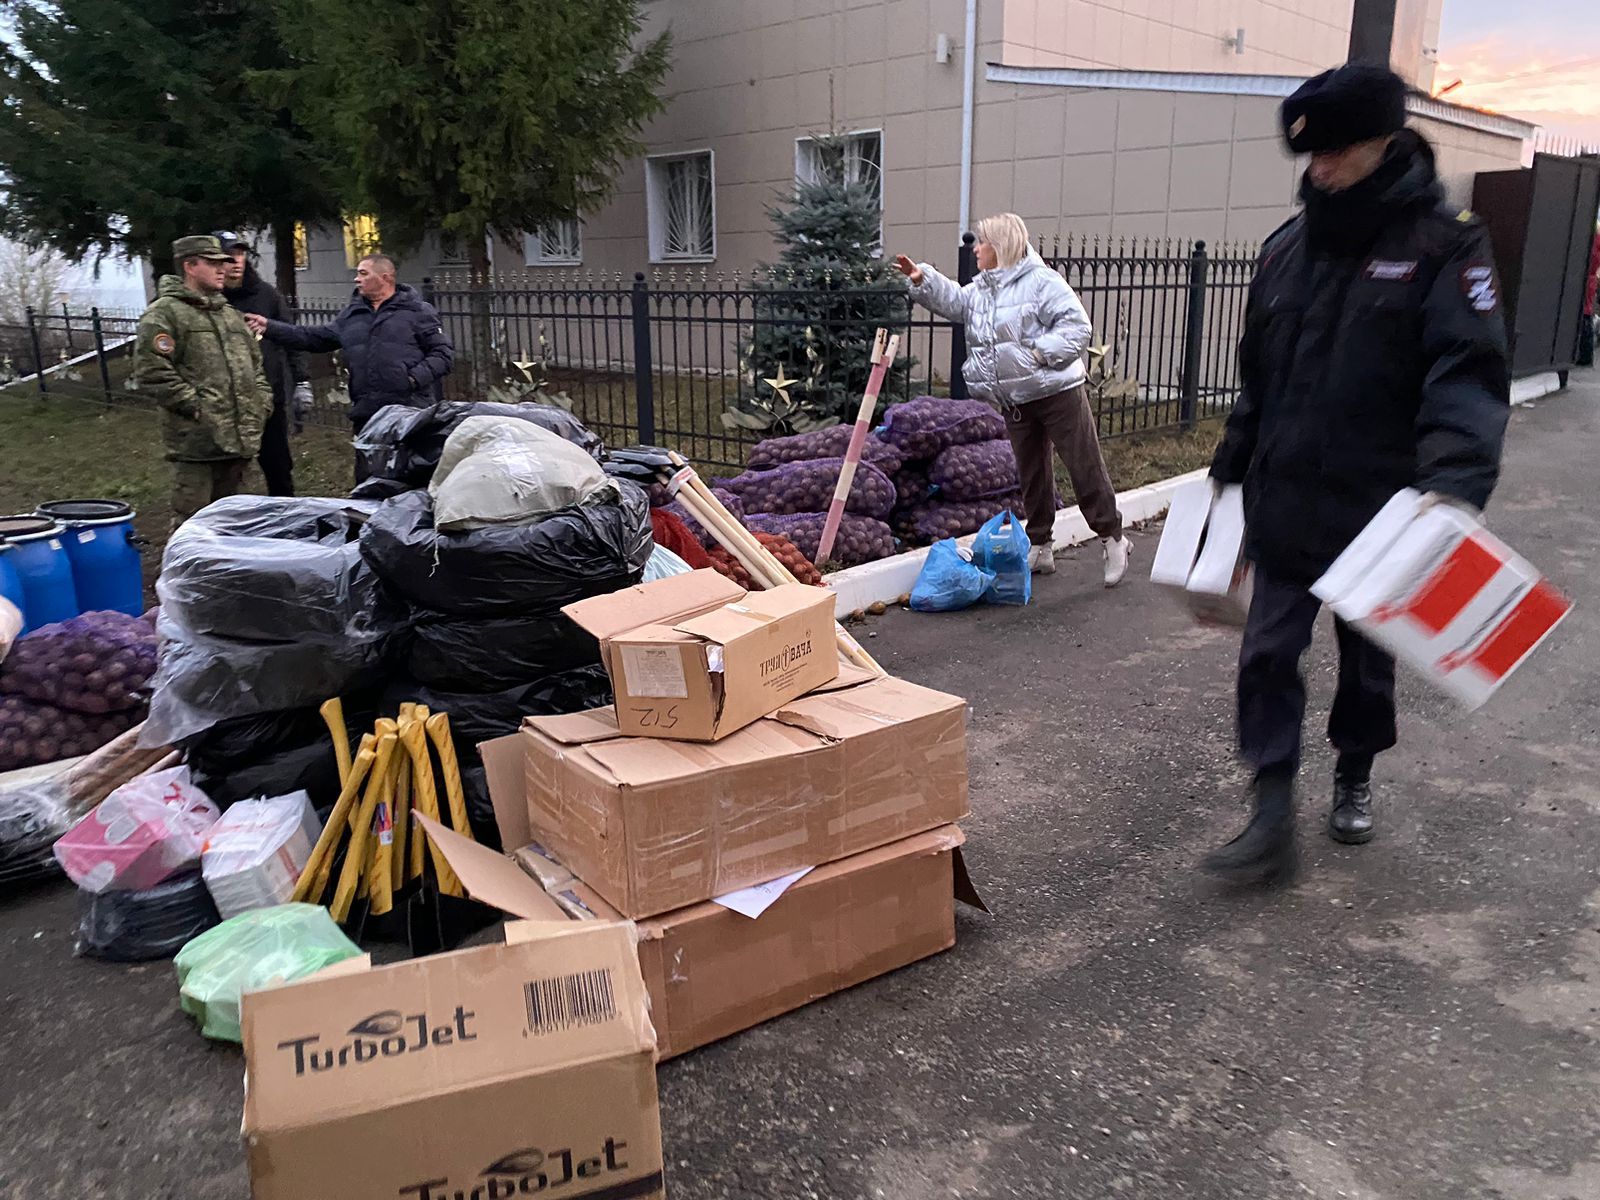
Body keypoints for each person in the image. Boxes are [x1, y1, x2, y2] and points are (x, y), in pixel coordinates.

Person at [1201, 63, 1511, 885]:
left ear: (1383, 140)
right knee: (1266, 652)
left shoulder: (1445, 247)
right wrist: (1231, 467)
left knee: (1368, 662)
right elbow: (1259, 377)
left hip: (1384, 508)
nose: (1318, 168)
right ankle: (1270, 807)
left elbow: (1467, 370)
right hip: (1288, 498)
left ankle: (1356, 773)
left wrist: (1454, 484)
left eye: (1336, 151)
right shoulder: (1285, 251)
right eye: (1310, 153)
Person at [895, 213, 1134, 587]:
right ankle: (1040, 545)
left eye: (982, 242)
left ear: (1001, 245)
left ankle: (1113, 537)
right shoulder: (981, 291)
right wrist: (922, 279)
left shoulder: (1041, 282)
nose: (975, 248)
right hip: (1015, 397)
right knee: (1031, 474)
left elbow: (1077, 327)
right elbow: (956, 302)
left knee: (1083, 465)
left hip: (1058, 393)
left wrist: (1038, 355)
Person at [245, 253, 453, 479]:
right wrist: (270, 327)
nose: (356, 279)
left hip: (410, 413)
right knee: (369, 482)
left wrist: (412, 379)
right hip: (368, 416)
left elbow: (442, 354)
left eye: (363, 273)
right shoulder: (353, 315)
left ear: (385, 277)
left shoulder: (416, 312)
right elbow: (313, 338)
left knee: (412, 480)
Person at [134, 235, 274, 527]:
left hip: (242, 443)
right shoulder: (165, 314)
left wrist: (261, 404)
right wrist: (197, 407)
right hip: (198, 447)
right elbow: (153, 371)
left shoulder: (230, 316)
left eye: (223, 263)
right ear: (190, 266)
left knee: (245, 524)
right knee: (194, 527)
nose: (223, 269)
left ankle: (238, 574)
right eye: (212, 263)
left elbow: (256, 367)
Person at [215, 230, 312, 496]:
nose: (236, 262)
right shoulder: (212, 300)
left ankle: (286, 517)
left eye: (240, 254)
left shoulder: (266, 295)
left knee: (278, 466)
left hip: (269, 398)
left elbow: (291, 338)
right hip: (225, 403)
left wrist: (302, 381)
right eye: (228, 256)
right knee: (229, 473)